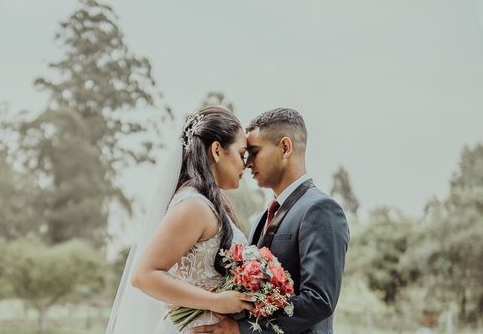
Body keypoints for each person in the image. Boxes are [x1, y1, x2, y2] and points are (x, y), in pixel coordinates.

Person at [192, 108, 350, 334]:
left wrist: (242, 329)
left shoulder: (320, 209)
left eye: (254, 152)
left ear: (285, 148)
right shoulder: (260, 219)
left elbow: (319, 300)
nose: (247, 164)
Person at [106, 106, 253, 334]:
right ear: (216, 150)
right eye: (241, 153)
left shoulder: (208, 203)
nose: (245, 163)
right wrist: (217, 302)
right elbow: (143, 275)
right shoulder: (194, 206)